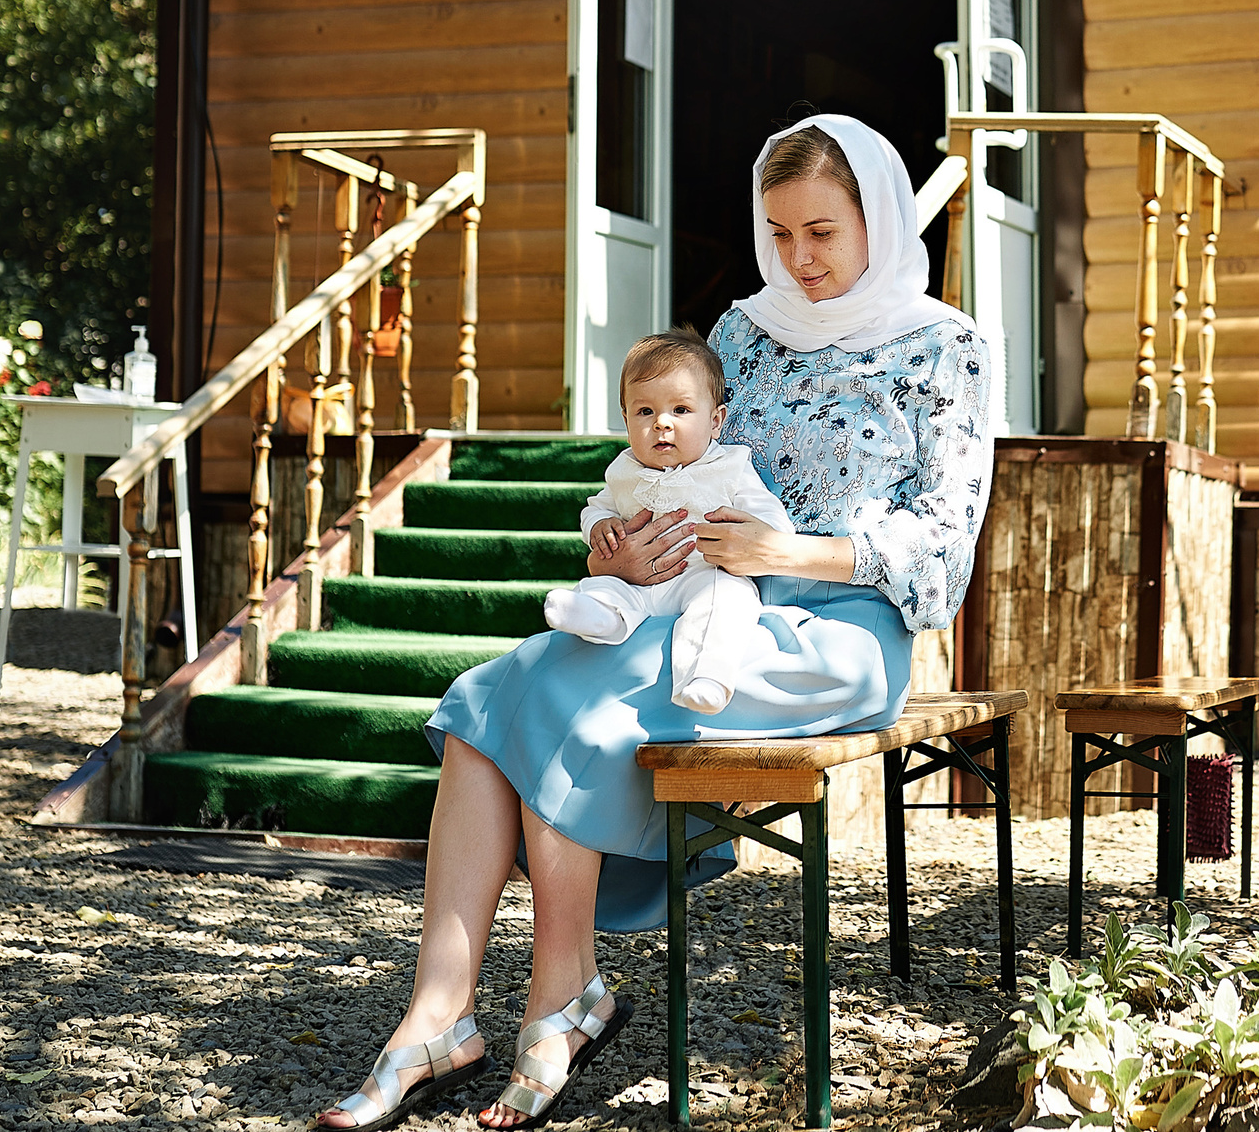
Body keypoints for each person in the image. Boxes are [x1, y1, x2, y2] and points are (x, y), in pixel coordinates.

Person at [314, 112, 995, 1131]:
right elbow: (667, 465)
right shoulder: (741, 334)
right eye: (780, 233)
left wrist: (787, 553)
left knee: (575, 710)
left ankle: (560, 1002)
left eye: (823, 231)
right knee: (489, 696)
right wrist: (616, 552)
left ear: (881, 220)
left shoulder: (945, 346)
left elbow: (943, 549)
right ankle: (438, 1012)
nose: (798, 258)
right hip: (686, 599)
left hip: (835, 629)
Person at [542, 328, 793, 716]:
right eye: (645, 412)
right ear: (625, 419)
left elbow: (771, 519)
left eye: (680, 410)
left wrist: (759, 528)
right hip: (634, 581)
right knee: (607, 586)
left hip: (701, 573)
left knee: (728, 598)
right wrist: (599, 525)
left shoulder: (730, 466)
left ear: (715, 420)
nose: (662, 423)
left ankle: (706, 676)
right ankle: (595, 616)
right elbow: (597, 506)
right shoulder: (624, 469)